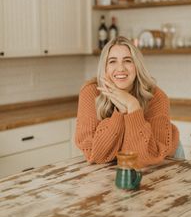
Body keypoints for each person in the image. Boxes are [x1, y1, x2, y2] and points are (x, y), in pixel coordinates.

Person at [75, 36, 183, 167]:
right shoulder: (91, 92)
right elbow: (96, 156)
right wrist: (121, 112)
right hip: (111, 167)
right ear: (104, 68)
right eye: (112, 61)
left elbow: (144, 158)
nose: (120, 68)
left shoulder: (156, 97)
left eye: (127, 61)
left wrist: (133, 106)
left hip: (164, 161)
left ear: (137, 66)